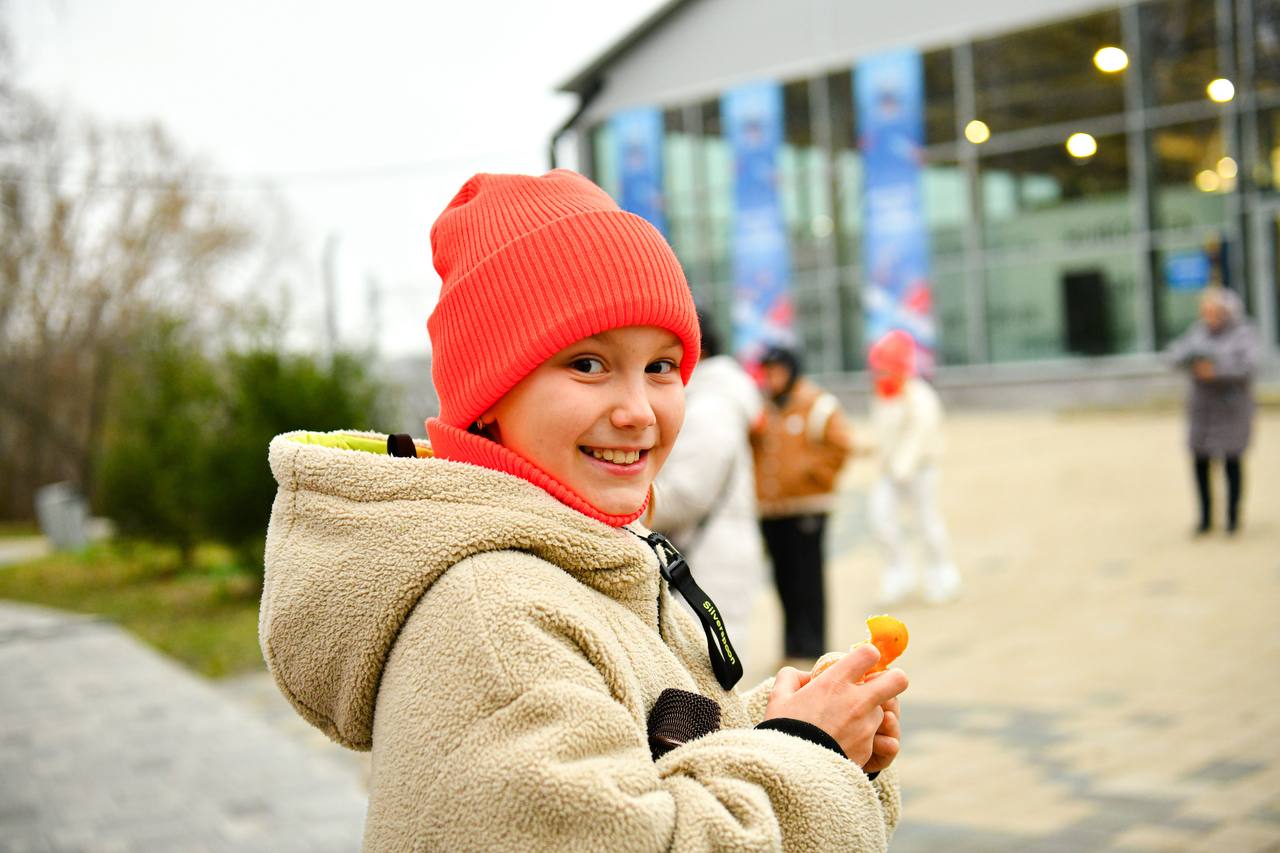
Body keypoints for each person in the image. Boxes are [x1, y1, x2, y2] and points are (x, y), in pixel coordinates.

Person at [258, 170, 907, 851]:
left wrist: (788, 724)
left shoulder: (578, 557)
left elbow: (643, 760)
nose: (636, 410)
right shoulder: (493, 621)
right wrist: (803, 747)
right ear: (489, 396)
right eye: (589, 364)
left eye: (661, 366)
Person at [649, 310, 766, 651]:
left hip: (712, 559)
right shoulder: (710, 396)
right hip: (709, 552)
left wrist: (624, 505)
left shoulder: (713, 404)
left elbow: (689, 493)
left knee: (705, 675)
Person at [751, 345, 854, 663]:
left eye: (777, 371)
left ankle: (814, 646)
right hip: (772, 510)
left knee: (809, 579)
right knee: (783, 580)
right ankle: (792, 645)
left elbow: (841, 446)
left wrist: (813, 476)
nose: (772, 378)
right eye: (767, 372)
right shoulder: (763, 407)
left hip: (808, 507)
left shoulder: (817, 403)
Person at [865, 329, 961, 606]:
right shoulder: (882, 395)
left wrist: (902, 467)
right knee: (881, 520)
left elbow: (919, 433)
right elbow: (884, 434)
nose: (880, 373)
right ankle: (898, 575)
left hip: (920, 470)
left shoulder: (919, 395)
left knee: (926, 522)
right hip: (890, 472)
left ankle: (942, 575)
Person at [1166, 286, 1260, 534]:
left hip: (1231, 410)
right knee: (1200, 463)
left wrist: (1216, 370)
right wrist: (1189, 360)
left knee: (1232, 462)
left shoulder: (1243, 333)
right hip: (1203, 411)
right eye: (1205, 311)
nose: (1208, 316)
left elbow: (1248, 366)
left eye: (1213, 311)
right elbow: (1174, 355)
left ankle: (1232, 519)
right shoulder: (1198, 332)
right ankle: (1205, 518)